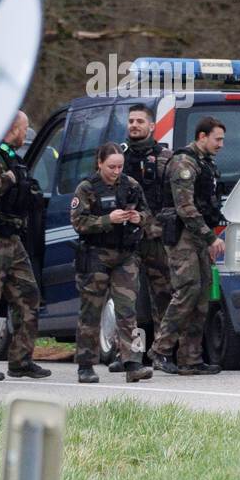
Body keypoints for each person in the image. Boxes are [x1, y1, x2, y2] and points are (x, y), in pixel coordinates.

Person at [0, 111, 52, 382]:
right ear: (13, 129)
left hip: (14, 240)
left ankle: (21, 360)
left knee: (29, 296)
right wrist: (9, 179)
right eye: (23, 130)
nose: (25, 136)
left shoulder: (13, 158)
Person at [69, 143, 154, 384]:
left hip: (125, 255)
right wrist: (108, 219)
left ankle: (133, 362)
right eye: (111, 167)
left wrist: (139, 218)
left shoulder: (131, 185)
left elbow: (148, 214)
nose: (116, 171)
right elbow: (78, 222)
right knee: (91, 310)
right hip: (96, 254)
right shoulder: (87, 188)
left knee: (128, 310)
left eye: (119, 166)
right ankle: (85, 365)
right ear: (99, 163)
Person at [149, 117, 226, 376]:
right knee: (187, 291)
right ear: (202, 136)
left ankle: (190, 358)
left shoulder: (205, 164)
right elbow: (185, 208)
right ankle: (160, 350)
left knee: (202, 295)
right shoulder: (184, 163)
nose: (221, 144)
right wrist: (210, 237)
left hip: (198, 236)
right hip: (183, 236)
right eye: (217, 139)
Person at [113, 103, 174, 371]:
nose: (134, 125)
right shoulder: (118, 157)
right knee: (127, 299)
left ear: (152, 126)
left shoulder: (164, 158)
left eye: (140, 121)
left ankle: (162, 353)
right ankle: (127, 355)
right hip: (125, 238)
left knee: (163, 296)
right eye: (131, 121)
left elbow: (175, 196)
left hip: (155, 237)